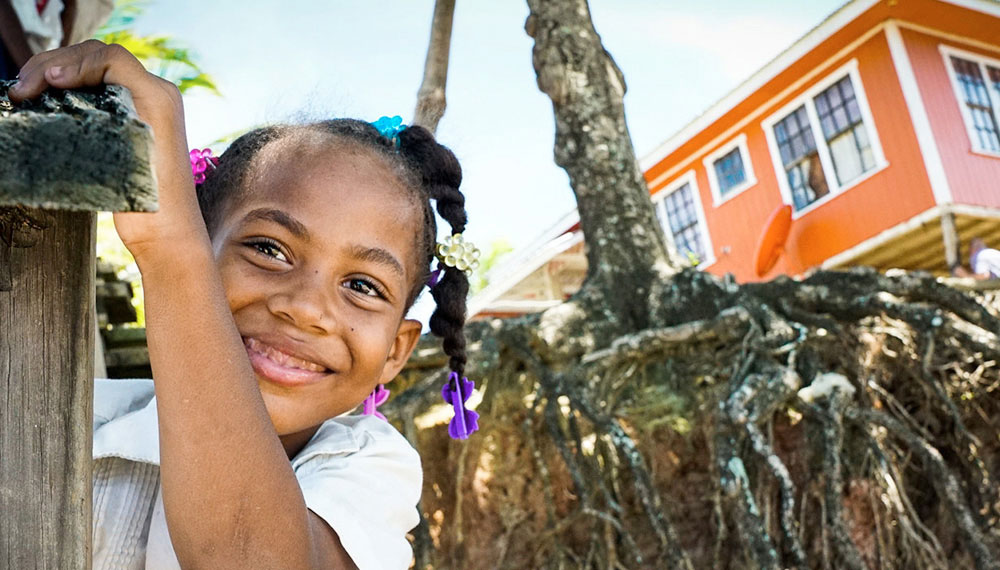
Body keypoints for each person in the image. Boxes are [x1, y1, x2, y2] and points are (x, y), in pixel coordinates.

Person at [9, 40, 478, 569]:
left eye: (363, 286)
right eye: (269, 249)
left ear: (396, 351)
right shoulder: (67, 421)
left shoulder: (367, 470)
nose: (305, 309)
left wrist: (170, 251)